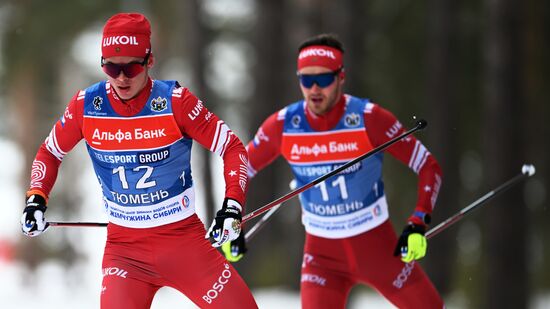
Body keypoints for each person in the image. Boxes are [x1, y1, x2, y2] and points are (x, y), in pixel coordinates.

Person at [20, 12, 258, 309]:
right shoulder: (87, 106)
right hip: (125, 254)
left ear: (149, 61)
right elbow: (49, 152)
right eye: (111, 67)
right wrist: (36, 199)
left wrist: (232, 206)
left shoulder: (175, 102)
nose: (121, 77)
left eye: (131, 68)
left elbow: (232, 147)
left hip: (183, 245)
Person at [223, 34, 445, 308]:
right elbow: (239, 168)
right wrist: (231, 220)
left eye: (324, 79)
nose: (315, 88)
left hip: (379, 249)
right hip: (322, 259)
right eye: (306, 79)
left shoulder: (369, 118)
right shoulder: (283, 125)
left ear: (341, 77)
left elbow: (428, 166)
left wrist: (418, 221)